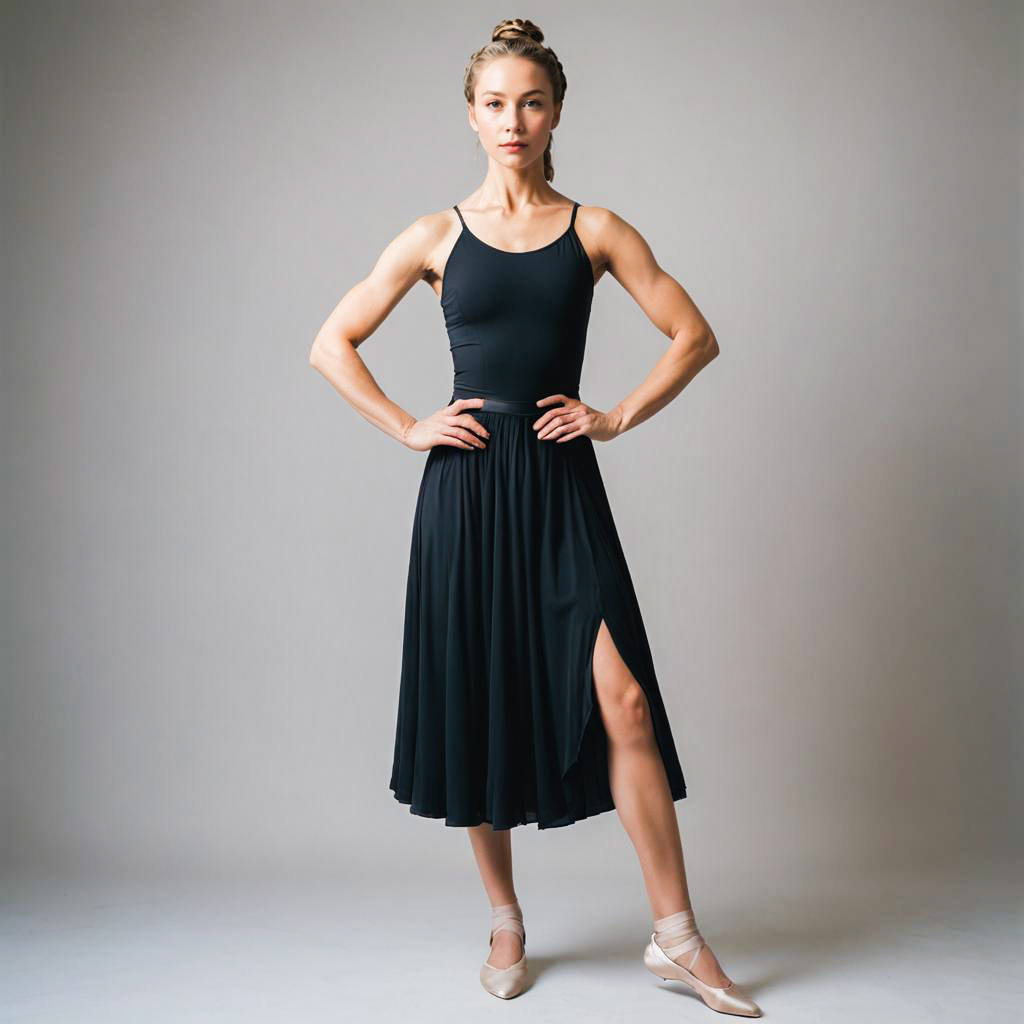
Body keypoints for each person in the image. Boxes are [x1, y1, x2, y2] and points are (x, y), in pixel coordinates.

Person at [310, 17, 761, 1018]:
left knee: (624, 702)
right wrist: (403, 425)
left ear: (556, 112)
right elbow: (330, 343)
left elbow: (692, 335)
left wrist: (614, 416)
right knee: (481, 700)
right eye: (494, 103)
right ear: (470, 116)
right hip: (466, 492)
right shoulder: (433, 236)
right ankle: (505, 918)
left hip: (559, 485)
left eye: (531, 101)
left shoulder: (595, 229)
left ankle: (677, 939)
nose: (512, 119)